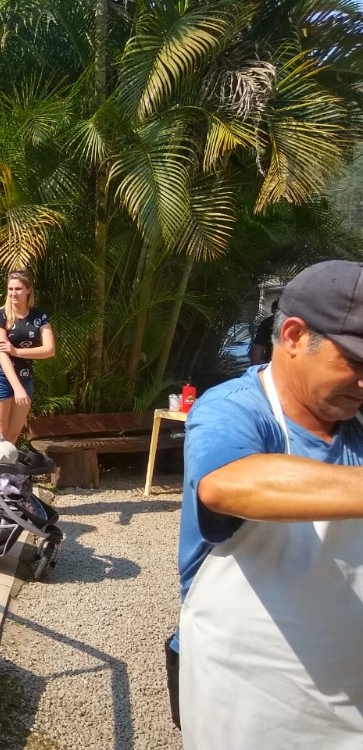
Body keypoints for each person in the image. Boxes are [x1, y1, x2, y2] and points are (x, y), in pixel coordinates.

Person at [173, 260, 363, 748]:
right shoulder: (234, 408)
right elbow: (228, 485)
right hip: (249, 698)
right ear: (295, 337)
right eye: (358, 363)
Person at [0, 270, 55, 443]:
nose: (13, 293)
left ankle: (7, 470)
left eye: (18, 289)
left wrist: (17, 352)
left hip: (25, 376)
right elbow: (2, 353)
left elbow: (49, 350)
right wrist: (17, 388)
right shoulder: (0, 315)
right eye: (10, 289)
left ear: (28, 290)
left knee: (12, 436)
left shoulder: (39, 315)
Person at [249, 298, 279, 365]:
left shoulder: (266, 323)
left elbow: (258, 351)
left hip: (273, 366)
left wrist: (254, 371)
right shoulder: (299, 321)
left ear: (272, 310)